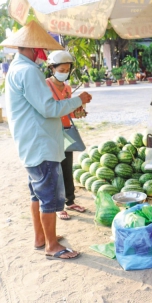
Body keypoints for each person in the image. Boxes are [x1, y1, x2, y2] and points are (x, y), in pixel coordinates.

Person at [1, 20, 92, 260]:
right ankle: (52, 246)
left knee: (37, 194)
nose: (43, 55)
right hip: (40, 144)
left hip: (30, 142)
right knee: (50, 196)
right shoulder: (28, 71)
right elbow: (49, 108)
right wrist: (79, 99)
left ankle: (41, 237)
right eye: (41, 49)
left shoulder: (16, 69)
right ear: (33, 48)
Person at [46, 50, 87, 220]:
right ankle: (58, 205)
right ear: (52, 68)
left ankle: (70, 201)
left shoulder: (68, 88)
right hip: (52, 133)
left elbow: (69, 110)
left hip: (66, 130)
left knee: (67, 167)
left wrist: (79, 112)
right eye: (61, 70)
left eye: (67, 70)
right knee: (55, 170)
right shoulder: (45, 86)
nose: (64, 73)